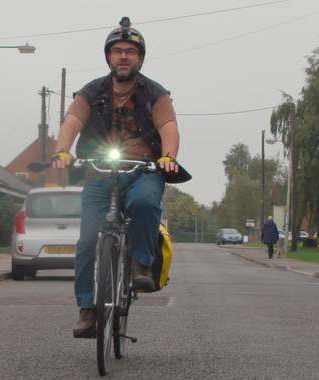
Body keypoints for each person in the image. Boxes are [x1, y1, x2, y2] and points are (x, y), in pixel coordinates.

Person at [52, 17, 180, 338]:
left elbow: (168, 128)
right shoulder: (91, 92)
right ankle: (88, 309)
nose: (124, 56)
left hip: (143, 169)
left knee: (144, 202)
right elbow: (72, 121)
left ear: (140, 58)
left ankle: (140, 264)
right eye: (118, 51)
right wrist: (62, 150)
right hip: (100, 170)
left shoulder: (155, 93)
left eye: (131, 52)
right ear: (108, 57)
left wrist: (168, 156)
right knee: (85, 240)